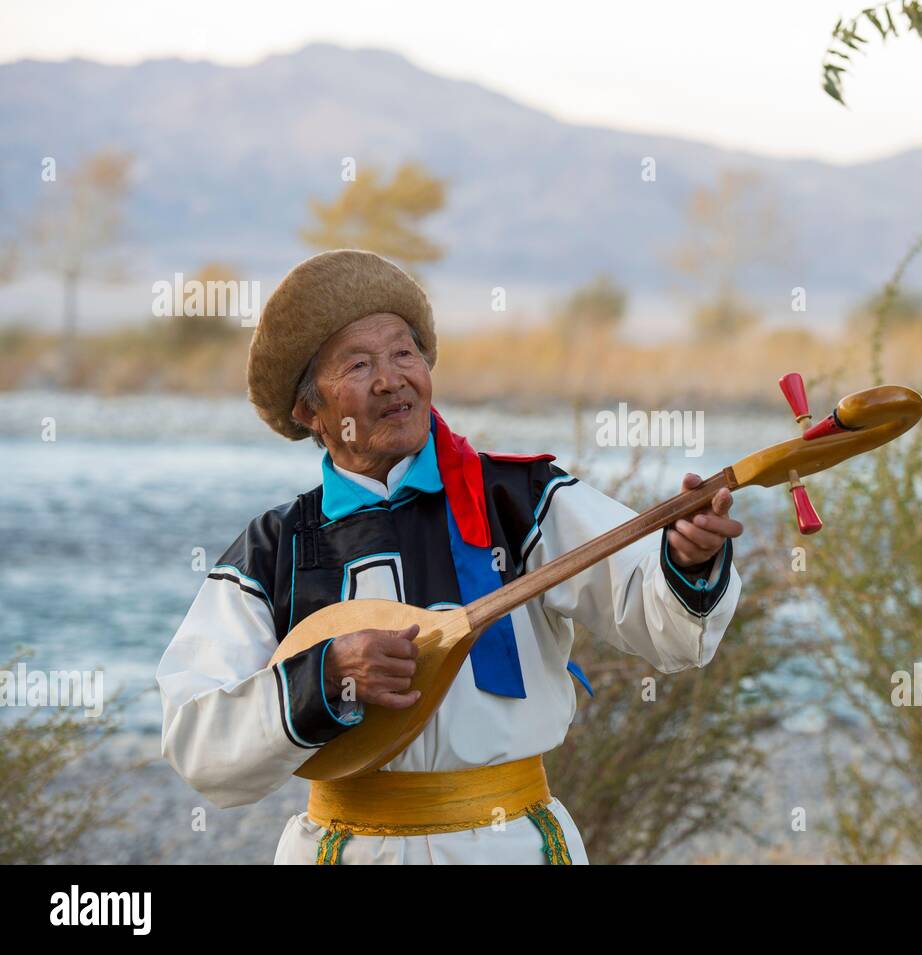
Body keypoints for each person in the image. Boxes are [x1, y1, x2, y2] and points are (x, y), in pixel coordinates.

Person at [155, 249, 744, 864]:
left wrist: (688, 558)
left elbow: (666, 629)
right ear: (310, 412)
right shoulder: (275, 549)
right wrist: (322, 678)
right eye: (359, 364)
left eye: (404, 354)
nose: (391, 379)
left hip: (512, 846)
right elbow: (198, 743)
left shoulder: (521, 499)